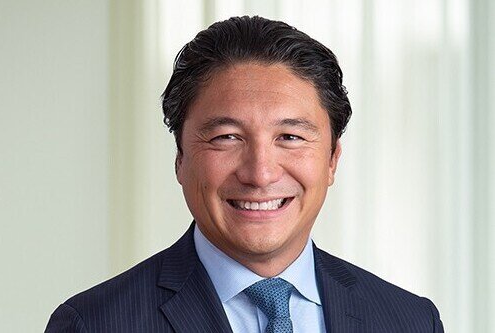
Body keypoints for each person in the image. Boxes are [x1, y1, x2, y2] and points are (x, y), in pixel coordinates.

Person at [46, 16, 444, 333]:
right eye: (227, 137)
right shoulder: (93, 323)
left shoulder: (410, 320)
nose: (260, 173)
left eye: (289, 136)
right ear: (180, 159)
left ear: (332, 160)